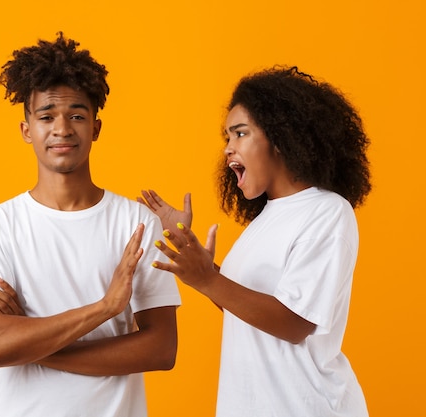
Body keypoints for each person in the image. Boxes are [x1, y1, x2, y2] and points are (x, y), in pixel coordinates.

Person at [0, 32, 181, 417]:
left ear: (95, 127)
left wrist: (28, 342)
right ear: (27, 130)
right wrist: (105, 308)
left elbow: (161, 349)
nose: (62, 129)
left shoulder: (137, 222)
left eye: (77, 115)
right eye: (46, 116)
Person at [139, 66, 371, 416]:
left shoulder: (327, 211)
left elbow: (295, 323)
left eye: (240, 133)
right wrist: (192, 256)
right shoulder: (266, 219)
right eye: (227, 138)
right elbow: (244, 308)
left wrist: (207, 278)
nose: (228, 149)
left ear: (281, 137)